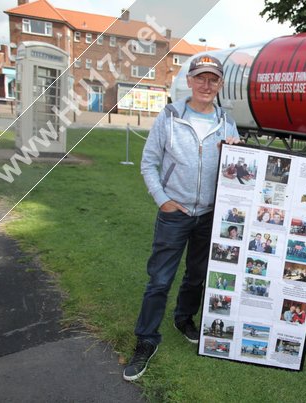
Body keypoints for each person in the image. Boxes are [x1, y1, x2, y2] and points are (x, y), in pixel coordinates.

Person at [123, 55, 241, 382]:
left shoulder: (226, 122)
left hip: (209, 215)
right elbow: (149, 163)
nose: (206, 85)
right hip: (176, 213)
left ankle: (184, 317)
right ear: (188, 81)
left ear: (219, 85)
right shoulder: (170, 116)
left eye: (213, 80)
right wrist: (162, 200)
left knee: (197, 275)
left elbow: (238, 171)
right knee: (160, 279)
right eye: (200, 78)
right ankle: (146, 339)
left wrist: (236, 149)